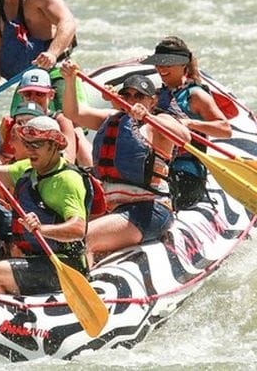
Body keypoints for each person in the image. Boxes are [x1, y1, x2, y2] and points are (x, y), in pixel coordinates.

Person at [60, 61, 191, 262]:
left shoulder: (158, 124)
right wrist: (69, 80)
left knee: (80, 239)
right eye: (127, 95)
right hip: (117, 210)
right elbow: (73, 113)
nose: (132, 100)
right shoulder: (111, 118)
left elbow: (185, 137)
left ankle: (85, 286)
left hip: (150, 210)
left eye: (139, 96)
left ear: (152, 101)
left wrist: (148, 116)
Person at [0, 115, 91, 296]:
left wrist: (42, 229)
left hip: (63, 264)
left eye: (36, 145)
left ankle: (3, 319)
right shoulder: (27, 169)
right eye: (27, 144)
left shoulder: (67, 180)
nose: (30, 151)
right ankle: (14, 304)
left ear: (54, 145)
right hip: (33, 259)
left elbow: (78, 230)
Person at [141, 37, 232, 210]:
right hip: (159, 167)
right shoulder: (157, 95)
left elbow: (225, 129)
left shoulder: (196, 95)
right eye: (158, 64)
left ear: (184, 64)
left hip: (187, 173)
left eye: (167, 64)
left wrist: (190, 124)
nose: (161, 69)